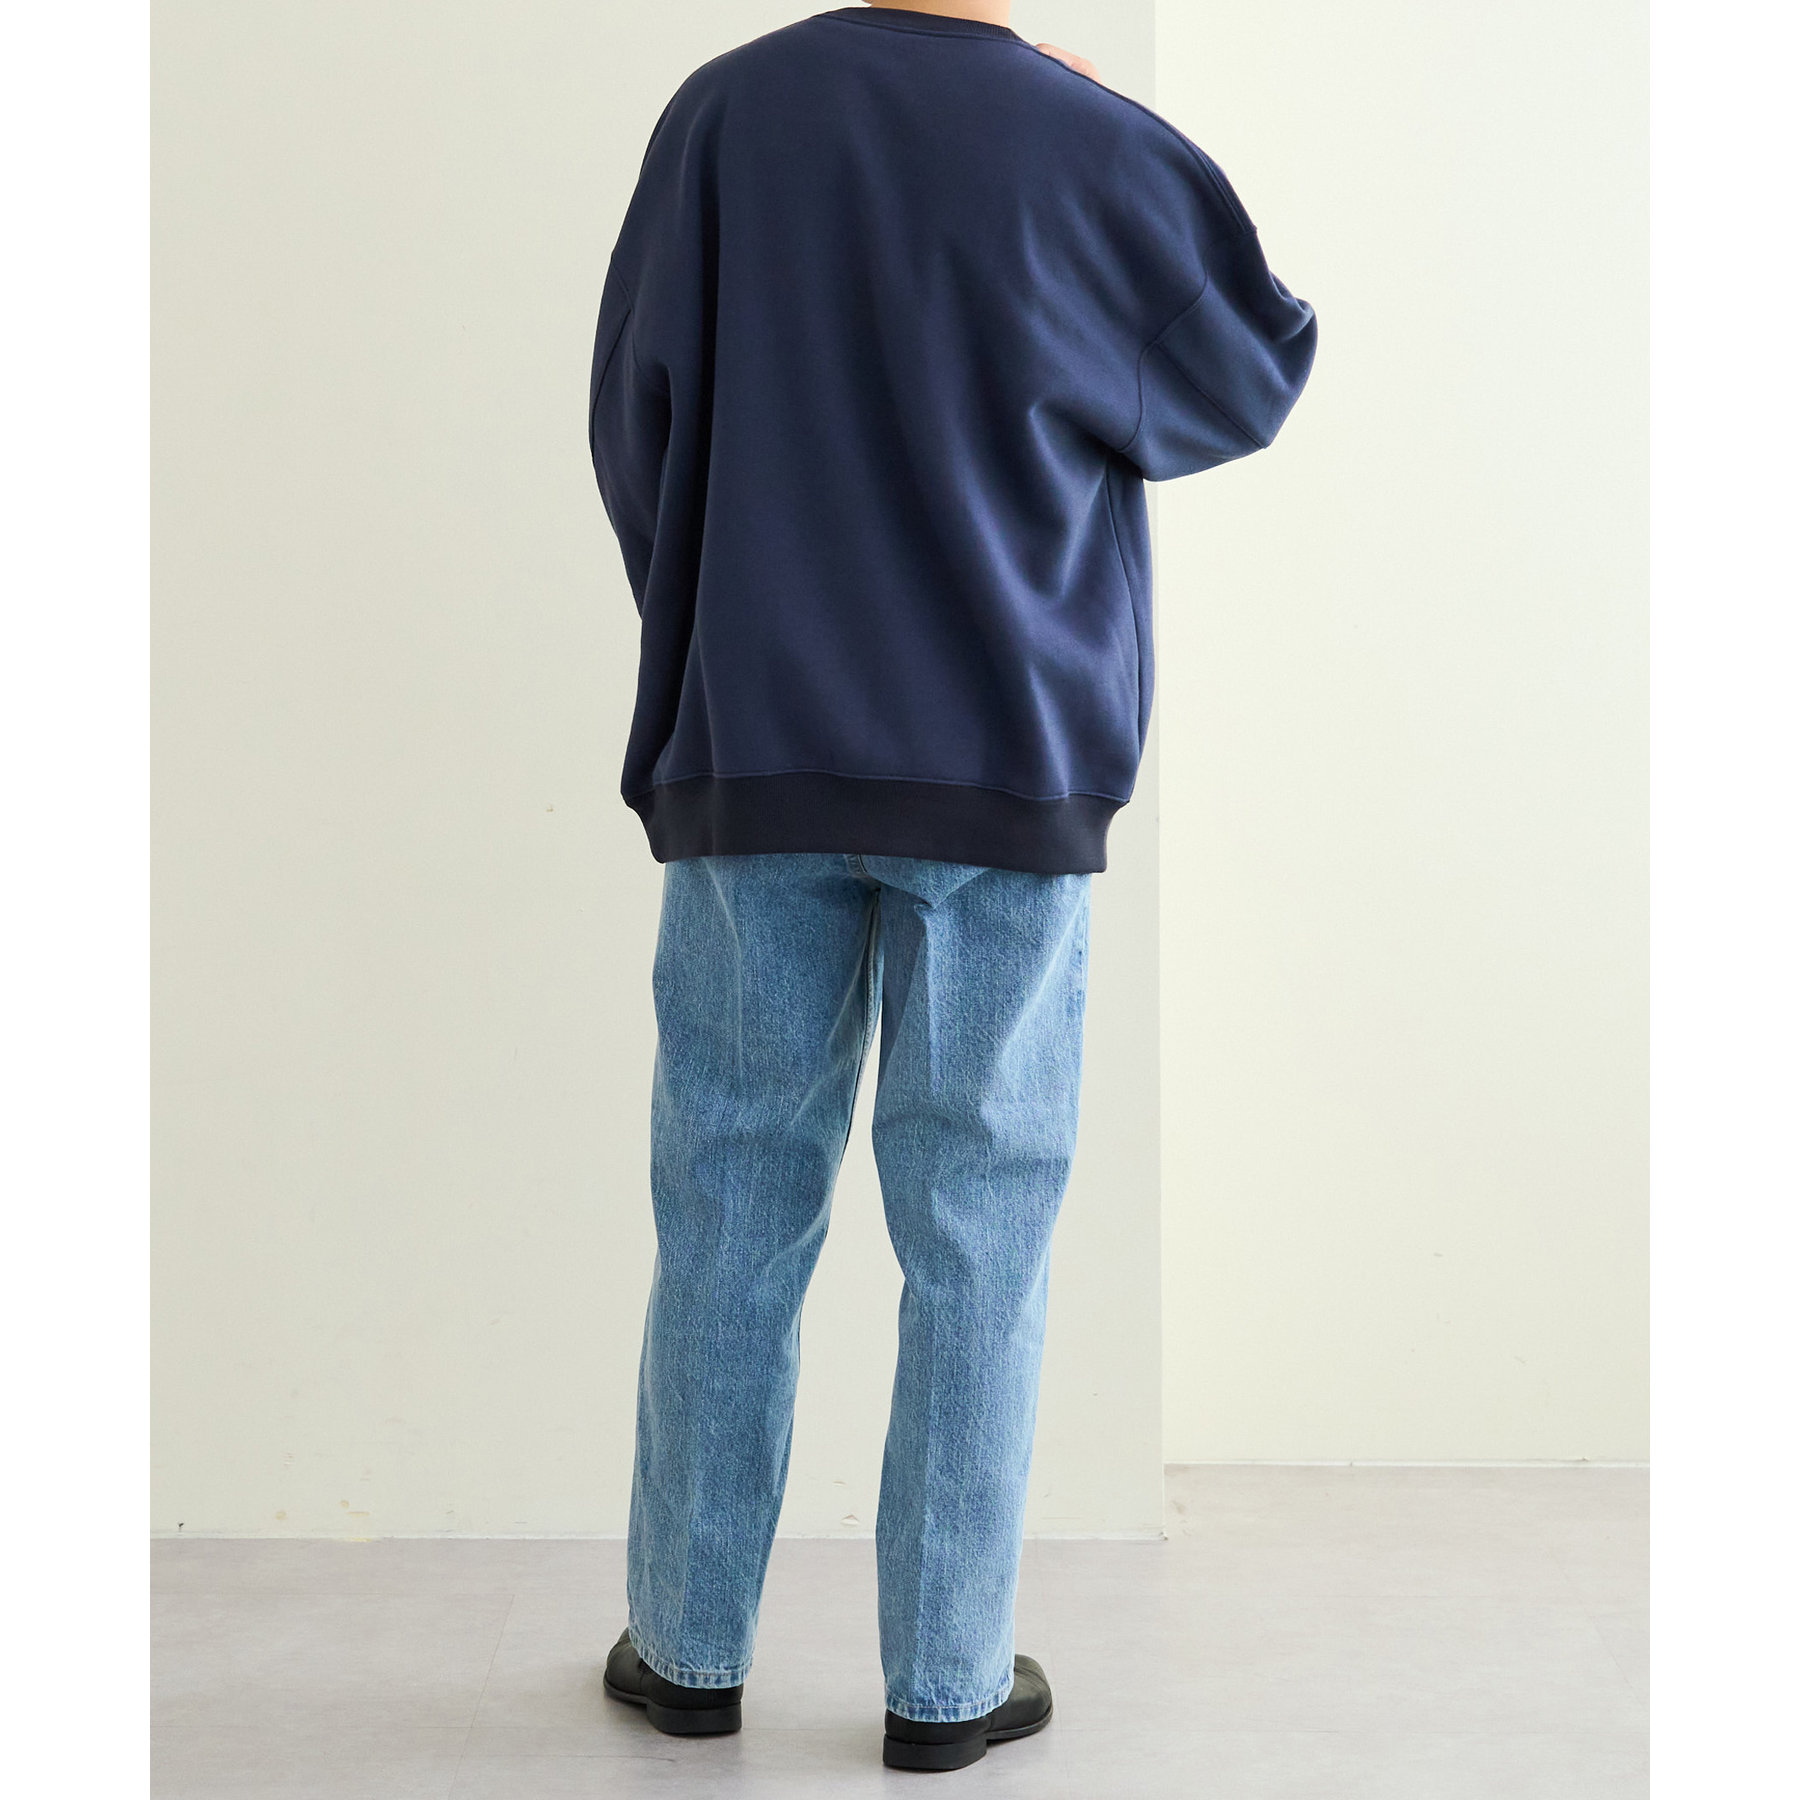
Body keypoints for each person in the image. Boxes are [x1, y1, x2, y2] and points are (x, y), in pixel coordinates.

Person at [587, 0, 1314, 1773]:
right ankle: (947, 1682)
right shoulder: (1083, 139)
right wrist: (1110, 155)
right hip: (1005, 756)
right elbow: (1246, 378)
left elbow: (633, 426)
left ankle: (688, 1652)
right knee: (979, 1227)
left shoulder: (726, 116)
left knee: (729, 1200)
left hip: (758, 748)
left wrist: (722, 633)